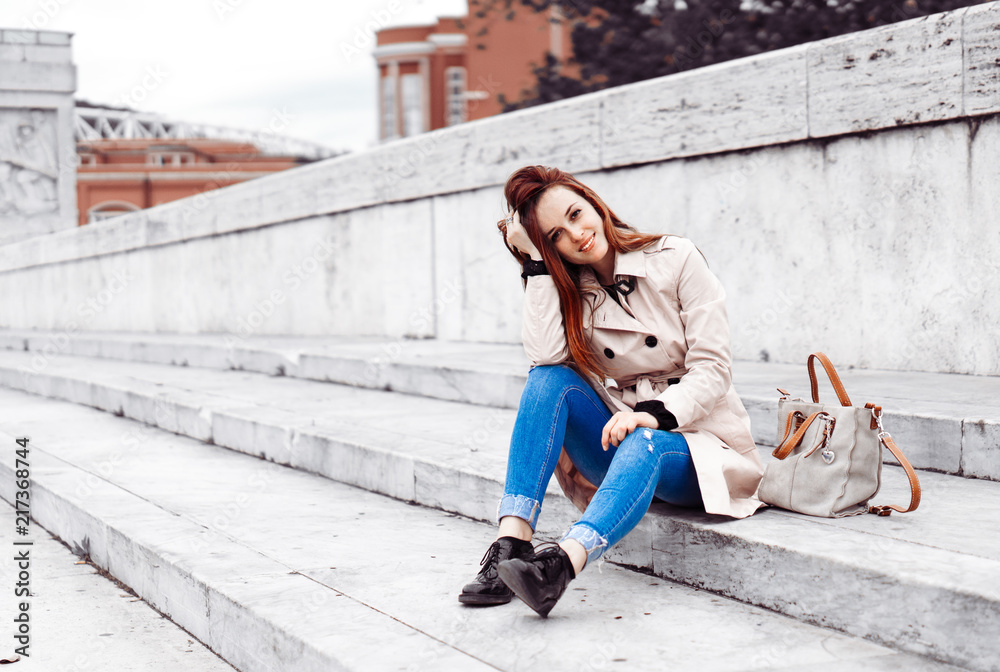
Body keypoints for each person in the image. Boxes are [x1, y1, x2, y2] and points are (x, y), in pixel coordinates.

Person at [458, 165, 764, 618]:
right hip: (621, 441)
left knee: (646, 442)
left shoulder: (675, 257)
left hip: (698, 445)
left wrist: (653, 414)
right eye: (557, 235)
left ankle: (561, 566)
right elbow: (545, 356)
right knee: (548, 380)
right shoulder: (573, 290)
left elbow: (714, 369)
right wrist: (536, 267)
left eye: (577, 214)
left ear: (593, 201)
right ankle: (512, 544)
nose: (578, 235)